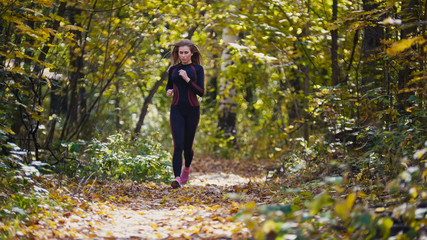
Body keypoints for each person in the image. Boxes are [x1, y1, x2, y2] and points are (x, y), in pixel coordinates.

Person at [166, 39, 204, 189]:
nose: (183, 55)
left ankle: (186, 169)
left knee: (188, 147)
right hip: (176, 110)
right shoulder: (173, 70)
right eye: (180, 52)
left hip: (192, 110)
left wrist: (187, 79)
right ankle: (177, 179)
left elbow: (201, 92)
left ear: (192, 53)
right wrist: (169, 91)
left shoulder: (198, 69)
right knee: (178, 146)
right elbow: (169, 86)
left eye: (185, 52)